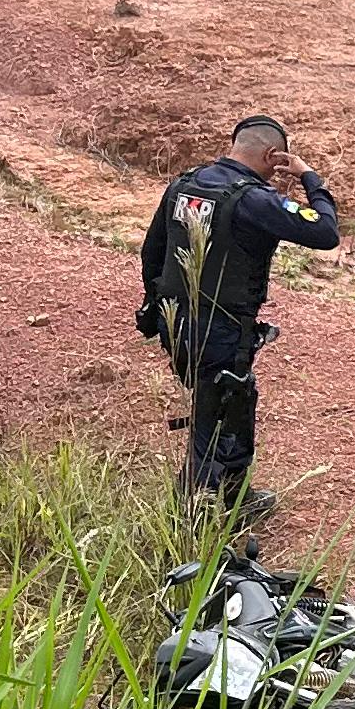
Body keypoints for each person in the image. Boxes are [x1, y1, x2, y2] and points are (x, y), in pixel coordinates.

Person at [137, 115, 341, 512]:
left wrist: (154, 306)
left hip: (174, 320)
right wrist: (308, 176)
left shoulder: (184, 184)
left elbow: (152, 252)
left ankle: (232, 495)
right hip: (222, 329)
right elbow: (325, 232)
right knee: (218, 409)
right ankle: (192, 517)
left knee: (232, 400)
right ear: (272, 155)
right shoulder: (254, 200)